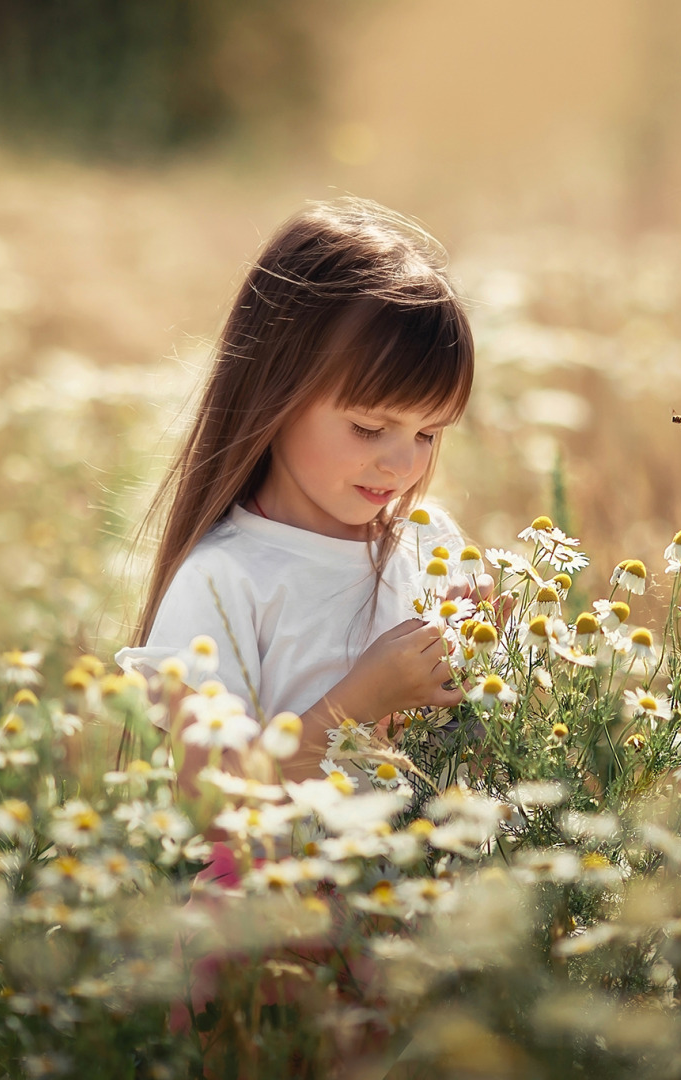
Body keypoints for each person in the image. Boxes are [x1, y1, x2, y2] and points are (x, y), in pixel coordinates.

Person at [116, 198, 475, 782]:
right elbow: (214, 806)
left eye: (429, 433)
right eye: (368, 428)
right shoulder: (226, 579)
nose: (403, 464)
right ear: (275, 392)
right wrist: (361, 702)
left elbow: (470, 755)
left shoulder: (430, 545)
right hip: (289, 874)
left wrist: (497, 650)